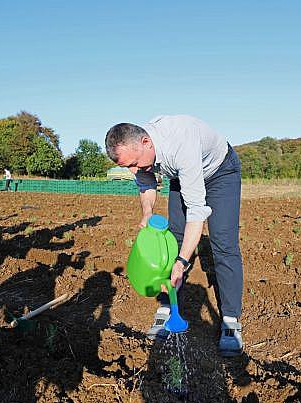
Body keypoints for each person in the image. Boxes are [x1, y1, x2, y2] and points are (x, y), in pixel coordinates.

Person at [105, 115, 244, 356]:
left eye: (135, 164)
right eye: (128, 167)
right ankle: (168, 306)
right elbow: (146, 183)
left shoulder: (181, 146)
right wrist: (147, 211)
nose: (134, 170)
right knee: (175, 239)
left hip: (220, 173)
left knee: (223, 243)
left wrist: (181, 261)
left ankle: (231, 321)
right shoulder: (139, 153)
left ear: (147, 142)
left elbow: (196, 213)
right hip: (182, 176)